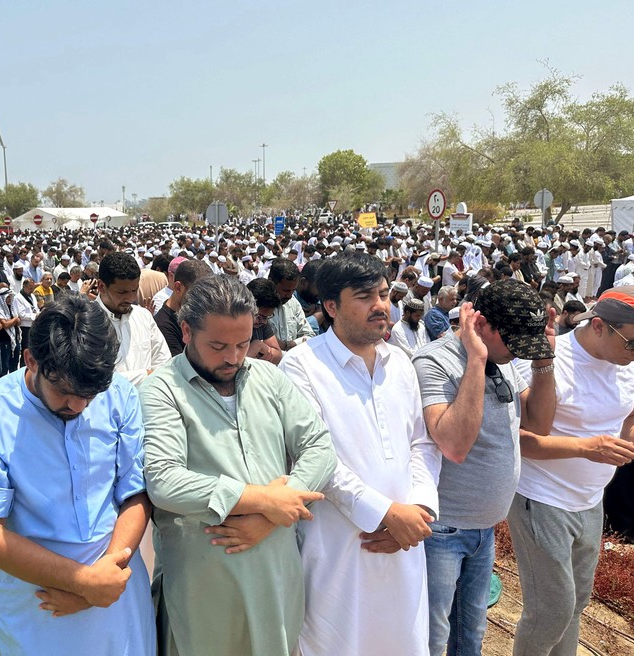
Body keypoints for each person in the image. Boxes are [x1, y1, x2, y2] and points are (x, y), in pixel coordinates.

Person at [139, 274, 337, 656]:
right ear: (185, 331)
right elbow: (164, 481)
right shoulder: (162, 390)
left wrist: (275, 511)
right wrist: (263, 499)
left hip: (277, 573)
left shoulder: (268, 378)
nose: (232, 357)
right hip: (204, 585)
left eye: (243, 344)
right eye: (217, 345)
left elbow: (319, 446)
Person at [0, 293, 156, 656]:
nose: (77, 406)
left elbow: (135, 493)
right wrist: (83, 583)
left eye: (90, 396)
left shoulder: (119, 394)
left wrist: (104, 578)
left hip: (118, 585)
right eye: (64, 392)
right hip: (41, 600)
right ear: (31, 360)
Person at [279, 253, 440, 655]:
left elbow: (421, 442)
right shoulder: (302, 366)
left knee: (403, 639)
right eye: (365, 296)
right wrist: (386, 513)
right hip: (338, 549)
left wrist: (418, 509)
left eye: (384, 294)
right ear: (331, 306)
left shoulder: (400, 363)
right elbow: (315, 459)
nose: (381, 306)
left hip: (404, 544)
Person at [508, 286, 634, 655]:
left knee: (575, 604)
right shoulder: (546, 360)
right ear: (598, 327)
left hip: (590, 499)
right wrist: (588, 448)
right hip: (541, 496)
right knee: (551, 610)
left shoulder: (630, 366)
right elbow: (520, 440)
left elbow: (631, 415)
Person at [413, 279, 558, 656]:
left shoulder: (502, 358)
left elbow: (539, 424)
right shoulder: (436, 361)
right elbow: (454, 445)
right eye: (515, 344)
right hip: (442, 530)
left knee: (470, 633)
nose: (518, 354)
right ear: (482, 326)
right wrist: (475, 359)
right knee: (431, 636)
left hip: (484, 529)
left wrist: (544, 360)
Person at [96, 252, 170, 385]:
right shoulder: (84, 322)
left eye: (134, 290)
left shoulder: (143, 317)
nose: (130, 298)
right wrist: (145, 375)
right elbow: (95, 380)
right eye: (122, 292)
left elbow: (164, 364)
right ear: (101, 286)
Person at [153, 259, 212, 357]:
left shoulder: (194, 315)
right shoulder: (163, 326)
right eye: (196, 295)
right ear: (178, 288)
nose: (203, 301)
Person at [267, 258, 316, 351]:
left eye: (293, 290)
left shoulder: (293, 303)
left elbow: (309, 336)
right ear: (271, 282)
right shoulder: (257, 304)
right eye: (285, 290)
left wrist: (288, 345)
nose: (289, 295)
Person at [246, 278, 284, 365]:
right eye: (259, 317)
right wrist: (255, 347)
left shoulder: (261, 323)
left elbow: (278, 355)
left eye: (267, 317)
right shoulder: (233, 324)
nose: (264, 322)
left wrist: (262, 347)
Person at [12, 277, 40, 367]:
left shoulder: (32, 296)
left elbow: (35, 308)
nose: (32, 289)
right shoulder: (18, 297)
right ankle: (23, 367)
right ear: (24, 286)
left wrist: (39, 313)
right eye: (30, 287)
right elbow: (22, 314)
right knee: (26, 349)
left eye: (33, 287)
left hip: (34, 326)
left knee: (33, 349)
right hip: (25, 328)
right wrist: (35, 316)